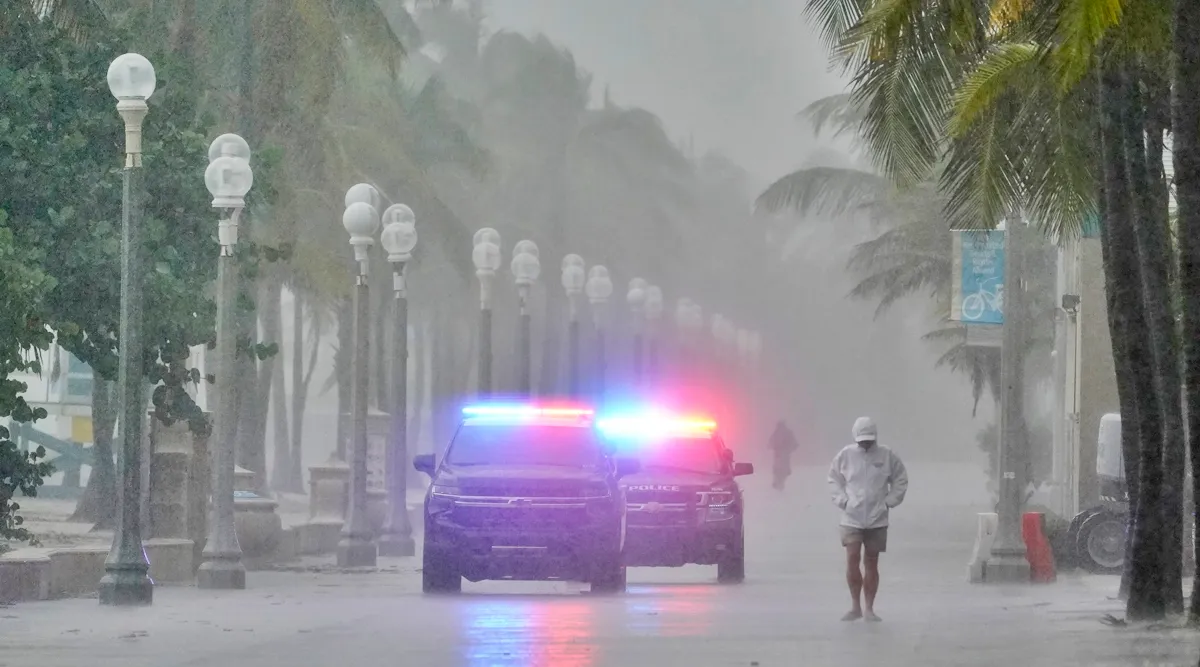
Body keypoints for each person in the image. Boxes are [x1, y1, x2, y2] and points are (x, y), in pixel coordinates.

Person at [827, 416, 908, 622]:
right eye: (862, 440)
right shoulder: (845, 455)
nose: (866, 443)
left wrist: (890, 501)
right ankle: (855, 606)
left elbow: (900, 479)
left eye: (869, 440)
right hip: (851, 517)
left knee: (871, 562)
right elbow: (833, 479)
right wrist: (843, 501)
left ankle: (870, 607)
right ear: (856, 437)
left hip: (877, 518)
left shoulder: (887, 456)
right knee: (852, 558)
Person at [768, 420, 799, 490]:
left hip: (778, 454)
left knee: (777, 469)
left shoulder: (776, 432)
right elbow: (795, 443)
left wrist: (770, 446)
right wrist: (792, 448)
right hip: (785, 454)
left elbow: (770, 442)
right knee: (784, 469)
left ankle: (777, 481)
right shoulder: (788, 432)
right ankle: (780, 482)